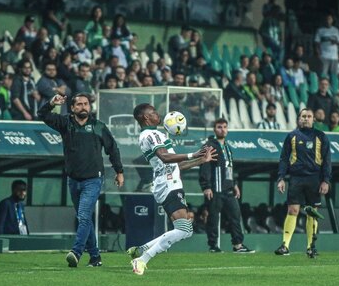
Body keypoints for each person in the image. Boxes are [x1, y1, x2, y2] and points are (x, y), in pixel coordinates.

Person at [126, 103, 216, 275]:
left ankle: (142, 249)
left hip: (169, 182)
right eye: (153, 113)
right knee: (185, 229)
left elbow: (176, 165)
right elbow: (165, 157)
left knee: (183, 229)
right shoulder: (151, 134)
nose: (158, 114)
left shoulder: (154, 134)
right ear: (146, 117)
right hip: (168, 184)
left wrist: (200, 161)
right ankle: (142, 259)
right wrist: (193, 154)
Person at [39, 93, 124, 268]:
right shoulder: (65, 123)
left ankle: (76, 253)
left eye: (86, 104)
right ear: (72, 108)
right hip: (73, 180)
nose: (83, 107)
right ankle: (95, 257)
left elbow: (112, 149)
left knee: (84, 216)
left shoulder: (98, 126)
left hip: (93, 180)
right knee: (84, 219)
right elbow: (42, 115)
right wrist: (51, 103)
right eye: (79, 104)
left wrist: (119, 171)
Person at [275, 108, 331, 258]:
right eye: (303, 116)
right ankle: (285, 245)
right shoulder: (291, 136)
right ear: (299, 119)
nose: (306, 119)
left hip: (314, 179)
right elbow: (284, 159)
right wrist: (280, 178)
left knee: (312, 213)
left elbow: (327, 161)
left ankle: (310, 247)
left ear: (314, 119)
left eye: (309, 116)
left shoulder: (321, 137)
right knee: (292, 210)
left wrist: (326, 180)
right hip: (296, 179)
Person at [199, 119, 255, 253]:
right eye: (219, 127)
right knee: (213, 218)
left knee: (236, 215)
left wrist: (234, 184)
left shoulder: (228, 147)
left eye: (225, 127)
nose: (222, 130)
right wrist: (206, 186)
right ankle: (213, 246)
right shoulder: (209, 146)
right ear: (214, 129)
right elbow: (204, 166)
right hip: (215, 189)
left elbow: (230, 168)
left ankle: (238, 245)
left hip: (229, 189)